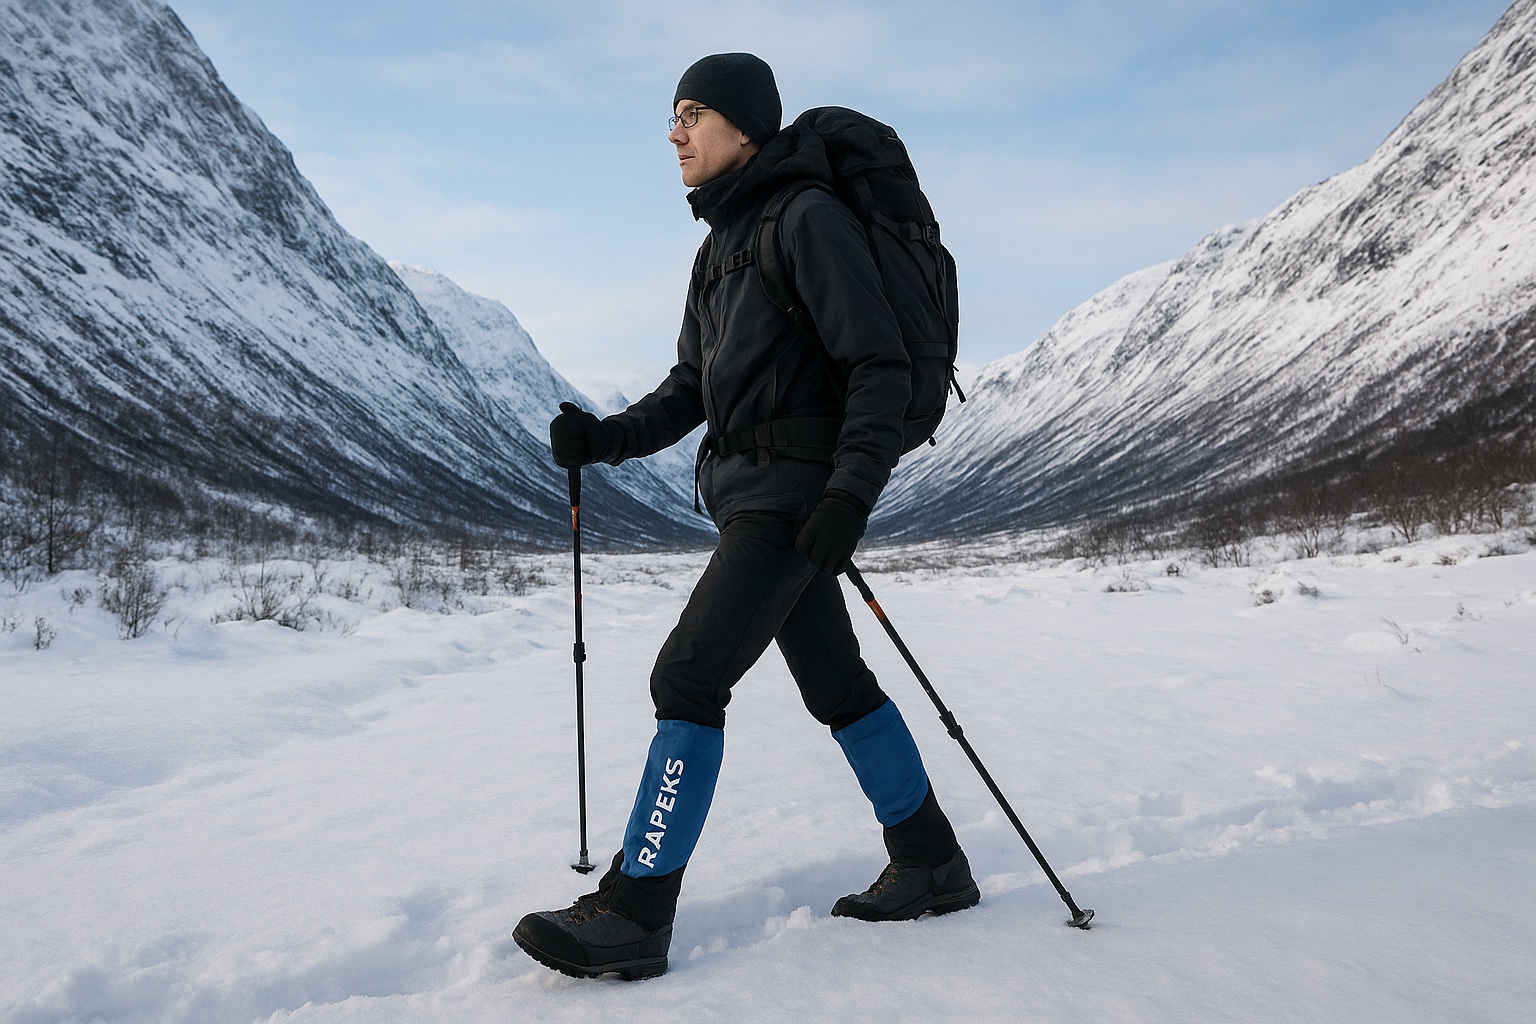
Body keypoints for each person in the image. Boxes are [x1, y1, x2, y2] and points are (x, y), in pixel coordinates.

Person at [514, 52, 978, 981]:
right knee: (837, 686)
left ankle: (637, 909)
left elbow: (877, 366)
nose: (676, 133)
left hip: (795, 500)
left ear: (744, 126)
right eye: (671, 117)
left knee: (686, 678)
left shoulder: (807, 219)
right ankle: (931, 859)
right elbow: (693, 386)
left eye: (692, 113)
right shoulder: (719, 247)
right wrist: (603, 439)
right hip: (760, 501)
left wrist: (849, 495)